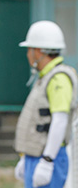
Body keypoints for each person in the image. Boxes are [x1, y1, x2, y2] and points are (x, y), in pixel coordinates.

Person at [13, 20, 77, 188]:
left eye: (29, 49)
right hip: (36, 156)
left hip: (49, 158)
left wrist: (47, 160)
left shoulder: (59, 79)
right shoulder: (45, 78)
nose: (28, 54)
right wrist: (26, 158)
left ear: (39, 51)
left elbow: (60, 121)